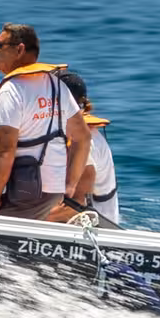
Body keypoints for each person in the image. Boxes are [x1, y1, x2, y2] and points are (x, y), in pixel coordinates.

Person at [0, 23, 91, 219]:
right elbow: (83, 138)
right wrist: (70, 185)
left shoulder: (11, 91)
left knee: (0, 242)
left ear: (19, 49)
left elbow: (5, 150)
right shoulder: (57, 86)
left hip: (23, 192)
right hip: (54, 190)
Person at [51, 69, 121, 227]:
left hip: (93, 233)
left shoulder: (85, 143)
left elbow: (76, 207)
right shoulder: (64, 133)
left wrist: (25, 220)